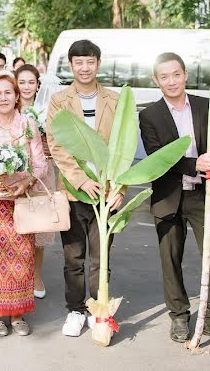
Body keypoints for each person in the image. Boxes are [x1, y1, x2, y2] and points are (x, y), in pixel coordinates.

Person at [139, 52, 210, 346]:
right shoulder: (149, 115)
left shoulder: (204, 106)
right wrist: (193, 165)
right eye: (164, 76)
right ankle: (178, 315)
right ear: (156, 81)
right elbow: (157, 159)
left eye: (176, 74)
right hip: (169, 197)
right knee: (170, 258)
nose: (171, 81)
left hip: (204, 195)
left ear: (185, 75)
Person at [46, 39, 122, 338]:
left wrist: (120, 189)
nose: (85, 67)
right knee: (74, 258)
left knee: (100, 258)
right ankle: (76, 310)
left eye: (90, 61)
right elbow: (57, 144)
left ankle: (97, 309)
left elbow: (123, 148)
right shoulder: (59, 101)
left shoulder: (115, 100)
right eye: (79, 62)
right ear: (71, 65)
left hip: (106, 192)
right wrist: (80, 180)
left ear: (98, 64)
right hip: (74, 191)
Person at [0, 74, 47, 336]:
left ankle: (17, 313)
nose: (3, 98)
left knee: (22, 257)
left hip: (20, 201)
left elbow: (40, 164)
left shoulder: (28, 125)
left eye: (8, 92)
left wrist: (24, 183)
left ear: (16, 96)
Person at [16, 64, 55, 299]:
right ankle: (18, 275)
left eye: (31, 82)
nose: (27, 87)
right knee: (18, 227)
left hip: (42, 171)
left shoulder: (46, 109)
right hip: (16, 172)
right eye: (22, 82)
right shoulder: (9, 107)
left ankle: (36, 276)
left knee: (38, 227)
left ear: (37, 85)